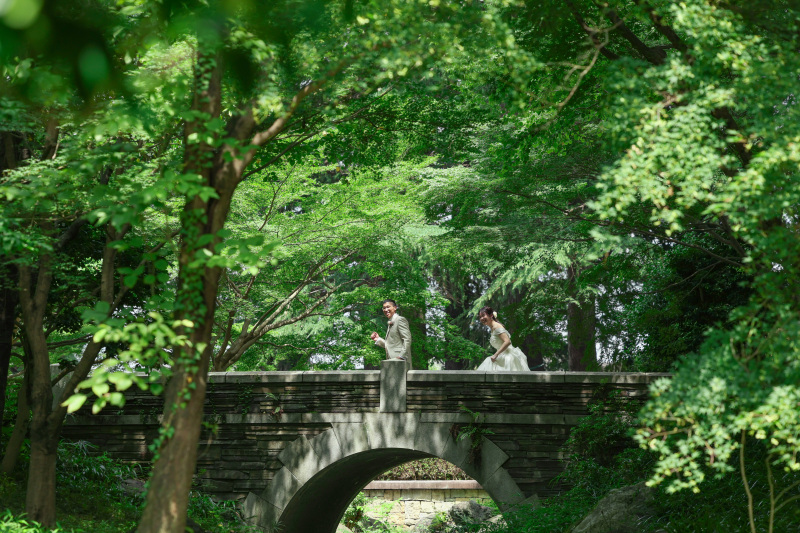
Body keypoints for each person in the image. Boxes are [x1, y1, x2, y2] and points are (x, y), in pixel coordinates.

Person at [476, 306, 530, 371]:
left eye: (483, 315)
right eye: (480, 317)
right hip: (501, 356)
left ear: (491, 315)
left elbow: (507, 341)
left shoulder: (496, 326)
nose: (481, 318)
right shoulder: (492, 328)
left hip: (508, 358)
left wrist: (496, 355)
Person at [370, 299, 413, 369]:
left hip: (400, 361)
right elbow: (391, 346)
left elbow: (407, 339)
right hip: (391, 361)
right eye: (384, 308)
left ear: (395, 308)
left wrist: (401, 356)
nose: (386, 309)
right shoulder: (391, 322)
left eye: (388, 307)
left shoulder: (400, 320)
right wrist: (378, 339)